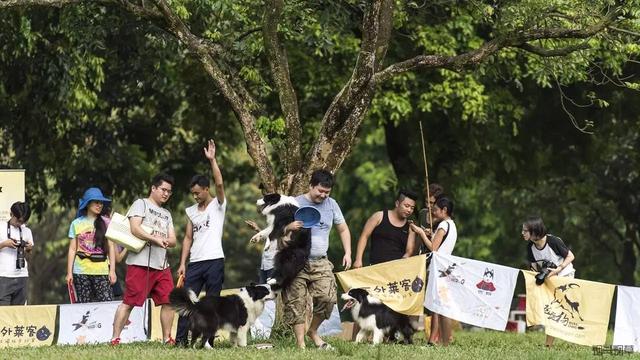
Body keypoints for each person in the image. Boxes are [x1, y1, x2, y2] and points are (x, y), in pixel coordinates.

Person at [283, 169, 352, 350]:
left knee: (328, 298)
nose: (323, 195)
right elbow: (279, 230)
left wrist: (348, 252)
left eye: (326, 192)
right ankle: (300, 345)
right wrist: (289, 226)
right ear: (311, 185)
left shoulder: (332, 205)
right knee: (296, 302)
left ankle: (312, 331)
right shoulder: (294, 203)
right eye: (319, 191)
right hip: (296, 260)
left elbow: (343, 229)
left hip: (321, 261)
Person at [111, 173, 177, 345]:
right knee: (129, 302)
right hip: (139, 263)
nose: (166, 194)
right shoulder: (141, 204)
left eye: (169, 192)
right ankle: (115, 338)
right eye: (163, 189)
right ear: (153, 188)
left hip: (162, 264)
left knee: (169, 301)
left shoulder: (167, 213)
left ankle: (167, 338)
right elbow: (134, 228)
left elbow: (173, 240)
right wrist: (155, 239)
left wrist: (166, 241)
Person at [175, 139, 227, 347]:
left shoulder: (218, 205)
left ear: (206, 189)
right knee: (187, 302)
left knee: (211, 303)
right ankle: (180, 341)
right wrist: (182, 263)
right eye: (193, 194)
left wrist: (212, 160)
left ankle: (208, 342)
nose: (195, 196)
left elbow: (220, 183)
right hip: (195, 263)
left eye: (198, 192)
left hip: (215, 260)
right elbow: (188, 238)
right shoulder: (191, 211)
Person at [410, 196, 457, 346]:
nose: (434, 212)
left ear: (444, 210)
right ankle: (444, 340)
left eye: (436, 209)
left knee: (438, 306)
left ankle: (440, 340)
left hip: (438, 268)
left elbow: (433, 248)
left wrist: (420, 232)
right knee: (441, 305)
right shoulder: (452, 225)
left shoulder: (443, 225)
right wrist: (431, 234)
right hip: (445, 268)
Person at [522, 216, 575, 348]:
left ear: (534, 231)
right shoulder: (530, 247)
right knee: (553, 310)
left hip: (565, 276)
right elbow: (534, 267)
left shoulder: (553, 241)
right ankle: (548, 344)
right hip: (550, 278)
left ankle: (548, 346)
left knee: (556, 309)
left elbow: (571, 256)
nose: (522, 233)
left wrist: (558, 269)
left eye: (525, 231)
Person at [66, 187, 117, 303]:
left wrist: (112, 270)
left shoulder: (106, 222)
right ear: (88, 204)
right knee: (84, 307)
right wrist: (69, 273)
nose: (100, 205)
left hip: (102, 270)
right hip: (81, 271)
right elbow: (72, 249)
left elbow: (111, 247)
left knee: (107, 304)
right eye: (96, 202)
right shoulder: (76, 223)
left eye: (101, 203)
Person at [353, 190, 418, 268]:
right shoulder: (379, 216)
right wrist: (358, 259)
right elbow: (364, 236)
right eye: (406, 206)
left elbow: (409, 251)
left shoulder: (411, 227)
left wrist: (402, 262)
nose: (409, 210)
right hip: (375, 267)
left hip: (396, 270)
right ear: (397, 203)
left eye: (412, 208)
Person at [0, 202, 33, 305]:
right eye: (18, 220)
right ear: (11, 214)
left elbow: (28, 253)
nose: (19, 224)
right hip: (3, 275)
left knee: (18, 313)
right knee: (3, 313)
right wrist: (4, 244)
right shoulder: (1, 227)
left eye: (22, 222)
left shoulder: (27, 231)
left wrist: (28, 248)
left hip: (22, 275)